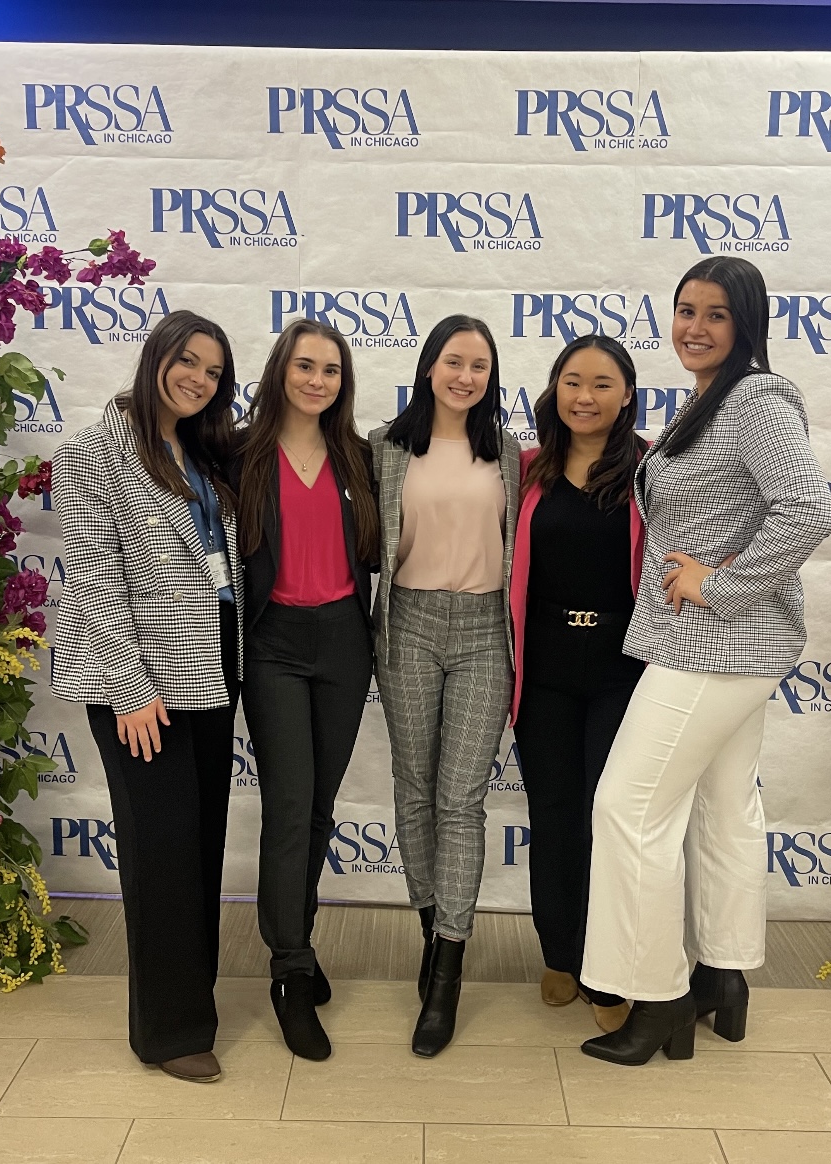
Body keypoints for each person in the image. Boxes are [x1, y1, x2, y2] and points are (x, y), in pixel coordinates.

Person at [579, 256, 831, 1066]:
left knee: (628, 808)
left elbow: (808, 508)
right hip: (723, 647)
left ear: (745, 323)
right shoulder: (707, 401)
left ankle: (659, 997)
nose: (694, 326)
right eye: (685, 309)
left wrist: (721, 586)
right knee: (727, 811)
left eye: (715, 314)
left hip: (717, 643)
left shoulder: (755, 397)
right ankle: (724, 977)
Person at [52, 310, 243, 1083]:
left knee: (198, 846)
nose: (199, 378)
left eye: (214, 370)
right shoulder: (93, 453)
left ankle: (192, 995)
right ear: (155, 356)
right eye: (188, 361)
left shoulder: (198, 448)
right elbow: (94, 578)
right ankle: (168, 1033)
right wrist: (130, 691)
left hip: (210, 672)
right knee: (160, 852)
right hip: (141, 686)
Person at [370, 314, 519, 1058]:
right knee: (414, 790)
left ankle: (449, 970)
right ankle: (431, 932)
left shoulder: (513, 456)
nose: (466, 377)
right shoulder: (385, 450)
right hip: (409, 625)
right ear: (429, 367)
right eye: (454, 361)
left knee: (461, 799)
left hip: (486, 631)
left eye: (481, 367)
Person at [231, 319, 378, 1062]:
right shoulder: (240, 451)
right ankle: (288, 971)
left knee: (319, 809)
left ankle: (300, 938)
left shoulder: (359, 455)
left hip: (345, 647)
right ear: (279, 371)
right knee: (289, 808)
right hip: (274, 647)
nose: (318, 380)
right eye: (305, 366)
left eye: (331, 369)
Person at [509, 335, 645, 1036]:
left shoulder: (654, 470)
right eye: (571, 381)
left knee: (611, 820)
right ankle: (559, 951)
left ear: (627, 394)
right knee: (555, 813)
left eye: (601, 383)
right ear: (554, 390)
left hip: (624, 671)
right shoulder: (528, 469)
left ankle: (607, 966)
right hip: (546, 671)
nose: (584, 396)